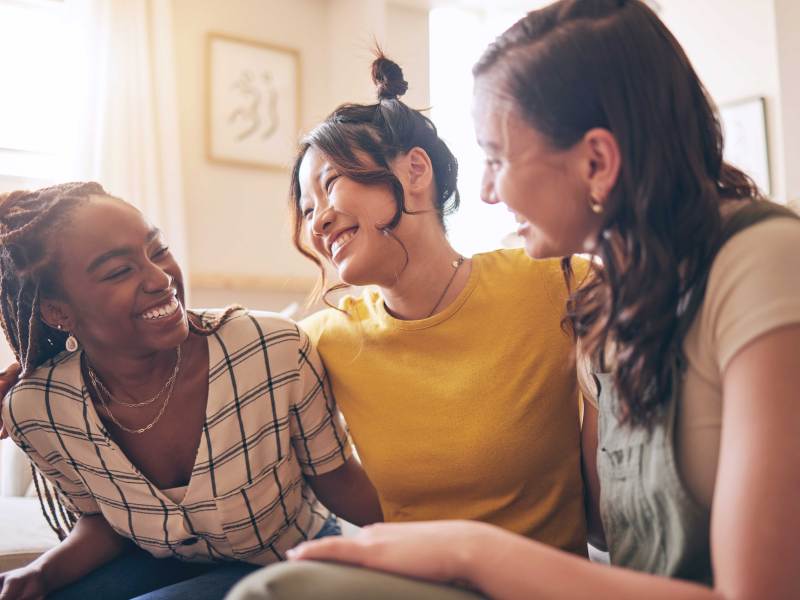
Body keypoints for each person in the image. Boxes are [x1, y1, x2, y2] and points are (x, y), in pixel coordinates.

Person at [228, 1, 800, 599]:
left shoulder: (753, 262)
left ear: (597, 161)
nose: (485, 191)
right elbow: (615, 528)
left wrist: (469, 549)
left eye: (497, 158)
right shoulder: (617, 302)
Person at [0, 182, 382, 600]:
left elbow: (340, 482)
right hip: (159, 564)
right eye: (119, 271)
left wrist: (439, 550)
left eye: (158, 250)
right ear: (58, 312)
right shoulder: (38, 409)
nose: (159, 277)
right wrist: (41, 573)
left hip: (289, 562)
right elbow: (104, 523)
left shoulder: (271, 348)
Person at [292, 53, 596, 553]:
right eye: (307, 211)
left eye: (329, 186)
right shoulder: (324, 340)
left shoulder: (555, 281)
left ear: (415, 170)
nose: (318, 222)